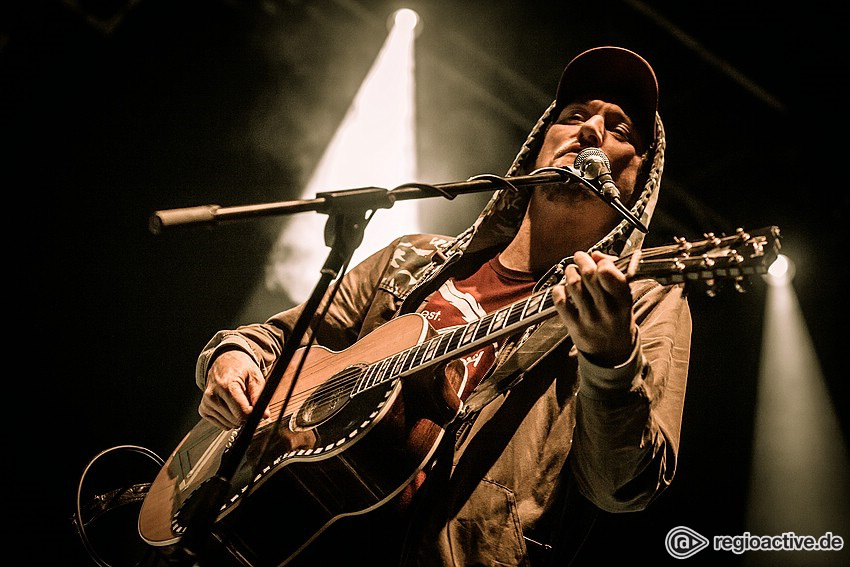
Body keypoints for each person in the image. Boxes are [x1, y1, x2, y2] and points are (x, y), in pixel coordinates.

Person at [193, 46, 691, 566]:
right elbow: (278, 340)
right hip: (291, 539)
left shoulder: (644, 297)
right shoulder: (412, 258)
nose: (589, 131)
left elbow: (622, 486)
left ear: (642, 180)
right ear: (538, 144)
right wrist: (234, 360)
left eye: (620, 130)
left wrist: (610, 360)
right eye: (574, 115)